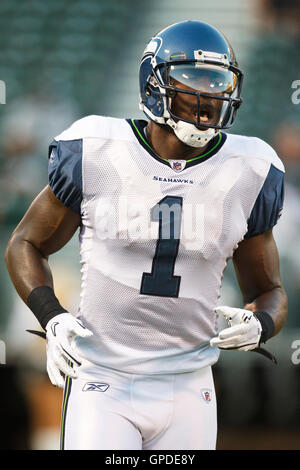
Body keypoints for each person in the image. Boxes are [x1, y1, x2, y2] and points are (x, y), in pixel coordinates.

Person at [5, 20, 288, 450]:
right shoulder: (97, 149)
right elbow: (25, 244)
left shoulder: (248, 170)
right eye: (192, 78)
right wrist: (52, 315)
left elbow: (270, 290)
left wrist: (261, 324)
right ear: (154, 82)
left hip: (189, 384)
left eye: (218, 81)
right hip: (102, 376)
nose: (207, 95)